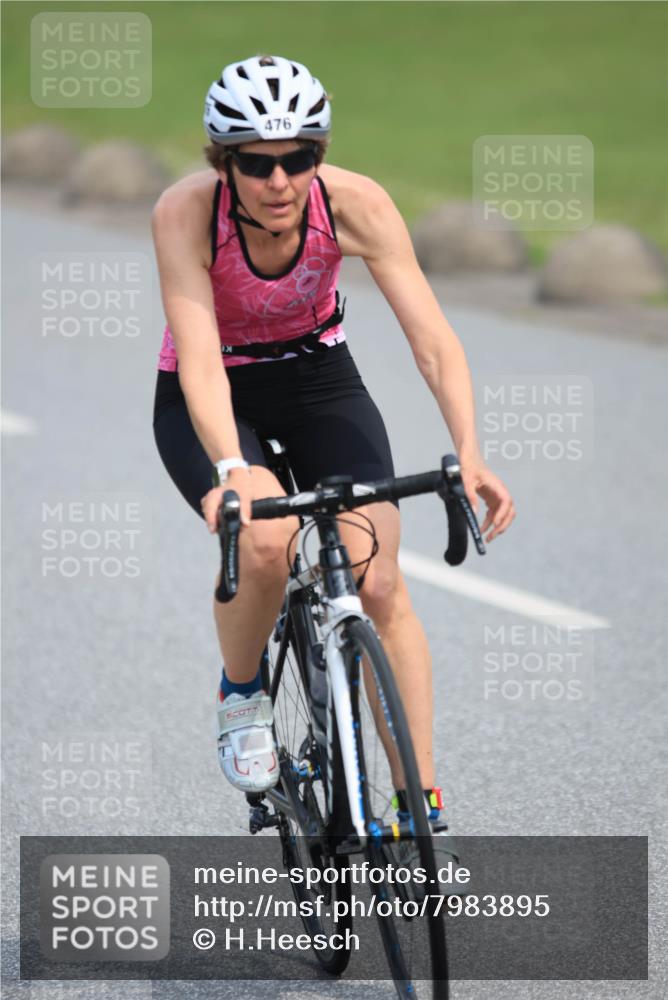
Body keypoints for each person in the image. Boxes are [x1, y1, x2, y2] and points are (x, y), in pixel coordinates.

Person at [152, 55, 515, 824]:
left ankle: (417, 807)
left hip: (321, 379)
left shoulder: (357, 206)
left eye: (299, 159)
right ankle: (243, 693)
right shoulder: (185, 214)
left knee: (378, 578)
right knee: (262, 540)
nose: (280, 181)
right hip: (214, 388)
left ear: (319, 154)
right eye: (257, 163)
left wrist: (470, 450)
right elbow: (201, 361)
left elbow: (433, 340)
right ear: (225, 164)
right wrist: (231, 468)